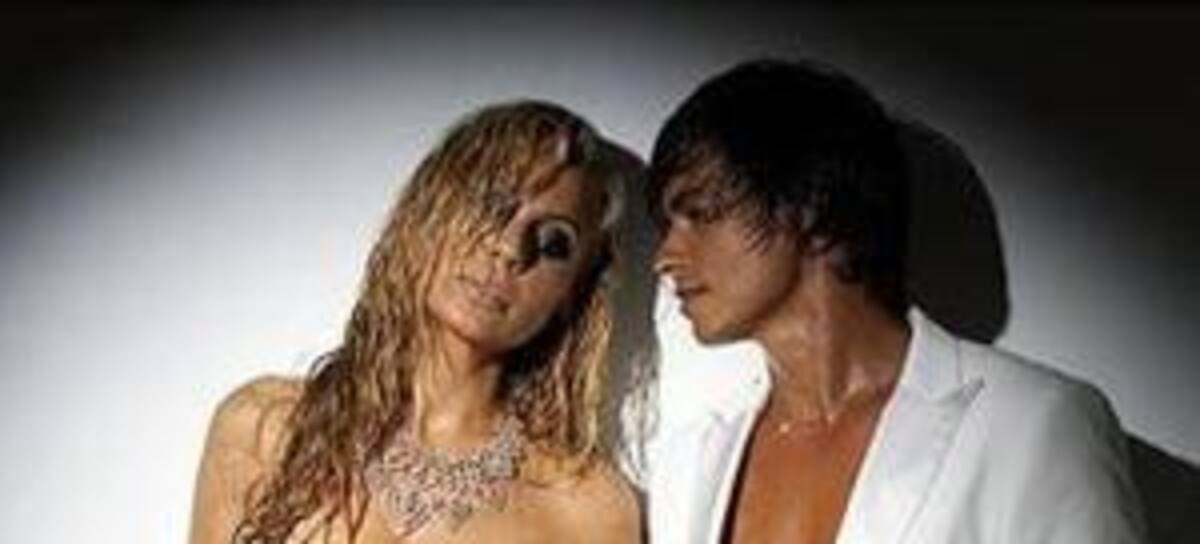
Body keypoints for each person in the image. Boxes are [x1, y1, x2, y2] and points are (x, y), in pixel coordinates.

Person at [641, 59, 1146, 543]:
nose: (665, 256)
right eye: (667, 226)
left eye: (699, 213)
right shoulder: (690, 463)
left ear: (810, 205)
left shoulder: (1032, 425)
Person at [190, 101, 639, 543]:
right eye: (490, 203)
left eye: (554, 242)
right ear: (427, 212)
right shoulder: (263, 427)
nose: (509, 249)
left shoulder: (588, 509)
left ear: (574, 291)